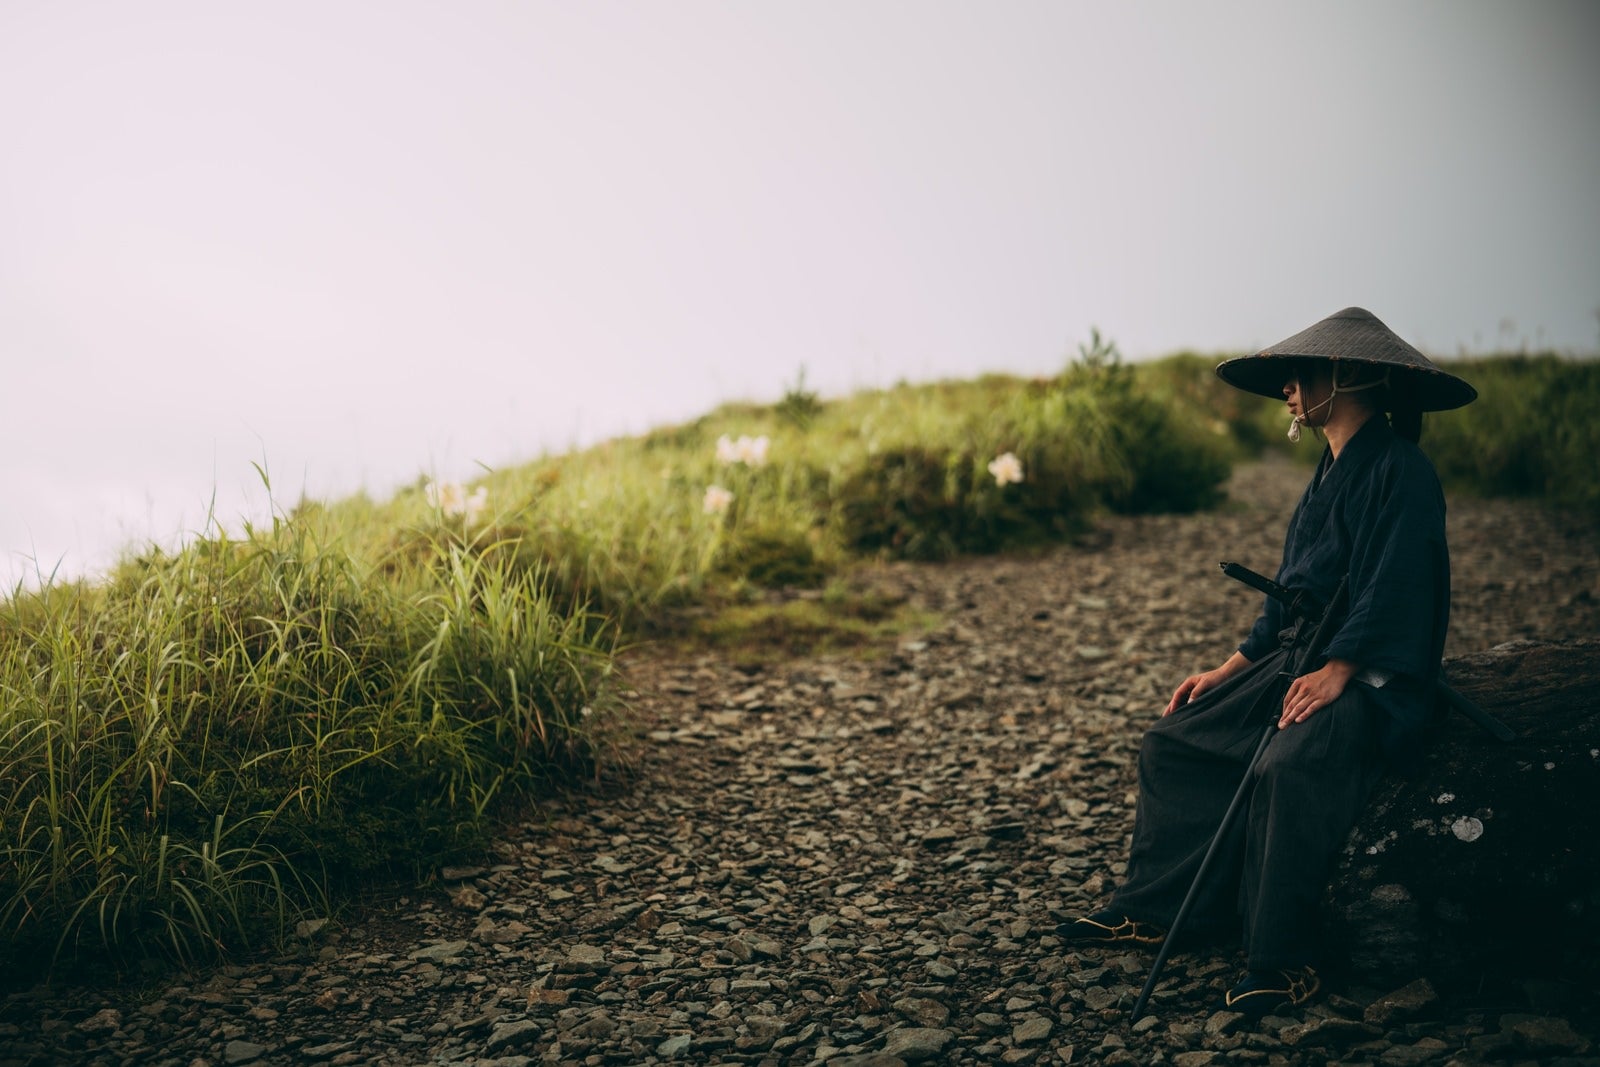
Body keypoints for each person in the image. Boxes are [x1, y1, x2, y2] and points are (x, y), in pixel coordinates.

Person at [1056, 307, 1477, 1017]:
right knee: (1176, 740)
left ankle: (1283, 959)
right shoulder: (1327, 472)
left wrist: (1341, 668)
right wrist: (1231, 666)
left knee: (1290, 765)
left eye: (1300, 374)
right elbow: (1291, 593)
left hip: (1367, 670)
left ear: (1344, 375)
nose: (1288, 387)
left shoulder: (1402, 471)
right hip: (1295, 655)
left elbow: (1401, 583)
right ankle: (1158, 908)